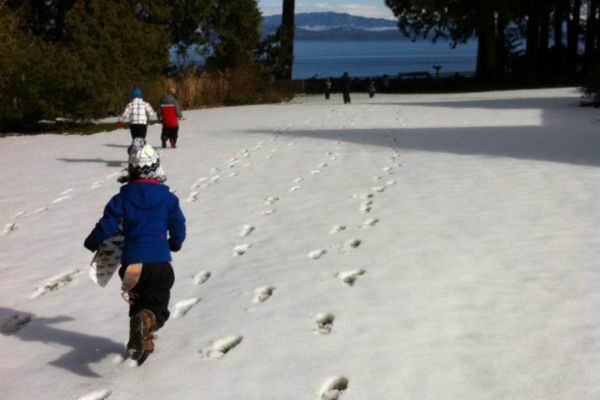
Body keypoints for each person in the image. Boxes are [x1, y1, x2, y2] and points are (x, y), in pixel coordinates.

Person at [84, 138, 186, 364]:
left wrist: (93, 241)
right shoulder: (168, 199)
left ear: (130, 171)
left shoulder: (120, 199)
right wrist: (176, 242)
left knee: (139, 303)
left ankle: (143, 345)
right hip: (159, 263)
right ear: (156, 169)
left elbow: (107, 225)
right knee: (157, 306)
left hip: (131, 267)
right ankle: (146, 324)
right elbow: (178, 224)